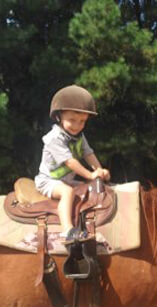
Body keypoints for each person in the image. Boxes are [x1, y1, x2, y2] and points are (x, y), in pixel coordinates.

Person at [34, 85, 110, 242]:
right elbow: (70, 162)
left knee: (87, 189)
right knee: (68, 192)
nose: (77, 126)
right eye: (72, 120)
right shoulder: (54, 138)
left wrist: (99, 171)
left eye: (82, 121)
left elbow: (88, 154)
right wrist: (90, 174)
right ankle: (68, 230)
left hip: (65, 180)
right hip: (48, 181)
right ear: (59, 117)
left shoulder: (79, 136)